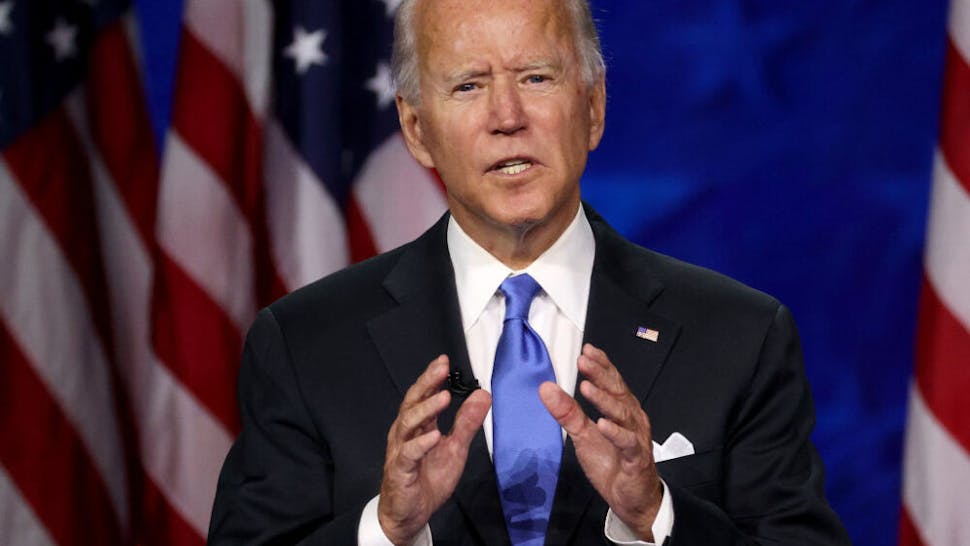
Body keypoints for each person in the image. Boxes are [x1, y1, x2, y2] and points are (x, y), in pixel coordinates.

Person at [208, 0, 852, 544]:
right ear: (415, 128)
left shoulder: (739, 336)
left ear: (593, 107)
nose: (507, 117)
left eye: (537, 77)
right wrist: (386, 529)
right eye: (468, 85)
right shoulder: (305, 344)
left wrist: (656, 514)